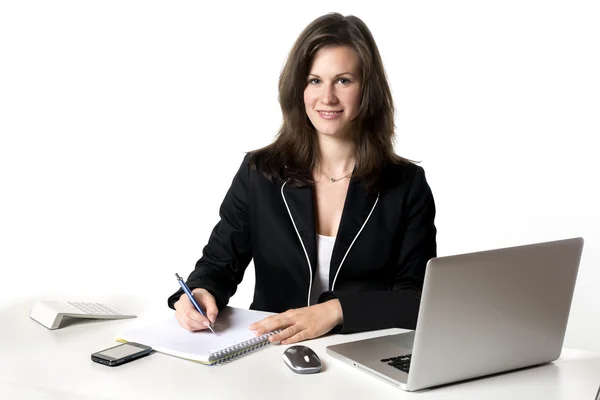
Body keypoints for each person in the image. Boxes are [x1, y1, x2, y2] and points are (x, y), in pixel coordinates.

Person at [167, 12, 437, 345]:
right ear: (299, 88)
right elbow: (220, 262)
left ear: (367, 88)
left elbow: (416, 298)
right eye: (314, 80)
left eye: (343, 80)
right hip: (270, 349)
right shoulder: (260, 172)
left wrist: (336, 310)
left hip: (362, 350)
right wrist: (199, 292)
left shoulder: (406, 185)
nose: (328, 97)